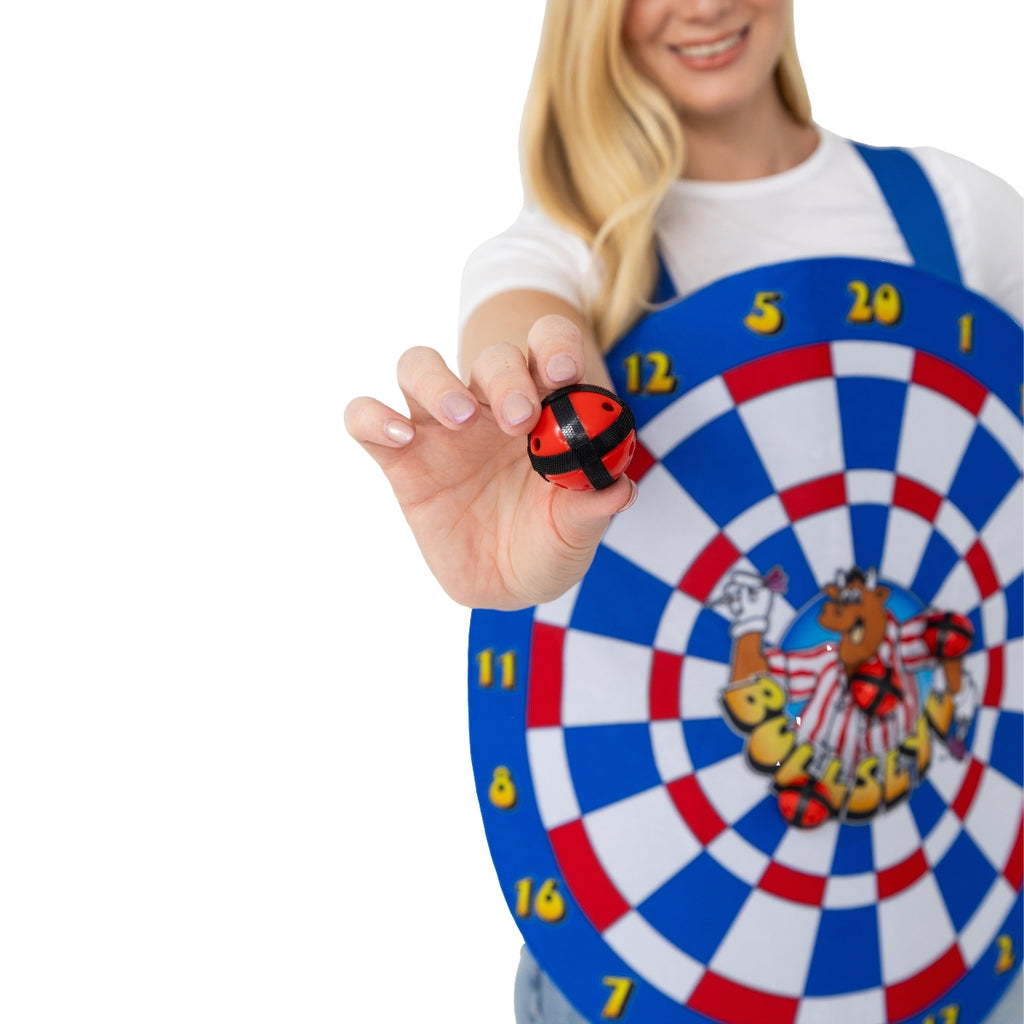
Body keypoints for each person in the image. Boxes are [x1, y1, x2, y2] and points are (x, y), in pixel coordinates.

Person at [346, 1, 1022, 1021]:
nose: (702, 3)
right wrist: (530, 387)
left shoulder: (955, 212)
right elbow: (525, 318)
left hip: (953, 928)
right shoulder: (573, 248)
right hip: (664, 947)